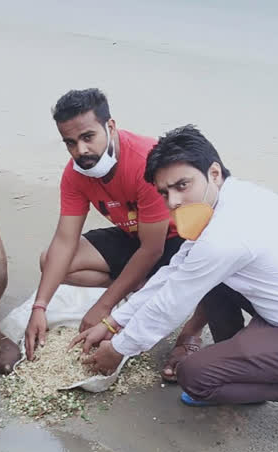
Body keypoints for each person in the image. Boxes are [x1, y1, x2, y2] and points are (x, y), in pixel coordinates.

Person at [72, 124, 278, 449]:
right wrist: (112, 322)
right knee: (206, 281)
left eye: (183, 185)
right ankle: (245, 367)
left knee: (195, 377)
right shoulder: (229, 198)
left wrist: (118, 349)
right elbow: (175, 272)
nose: (173, 201)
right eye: (164, 192)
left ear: (213, 172)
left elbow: (172, 302)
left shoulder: (228, 234)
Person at [24, 88, 185, 360]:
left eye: (88, 137)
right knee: (50, 260)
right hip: (132, 234)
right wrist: (39, 308)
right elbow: (65, 240)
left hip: (176, 240)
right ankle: (138, 287)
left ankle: (181, 328)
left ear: (110, 126)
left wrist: (103, 306)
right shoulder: (75, 174)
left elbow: (152, 249)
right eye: (70, 143)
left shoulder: (147, 163)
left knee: (179, 285)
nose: (81, 150)